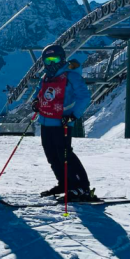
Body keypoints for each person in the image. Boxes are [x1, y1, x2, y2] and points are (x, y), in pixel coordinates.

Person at [31, 44, 95, 201]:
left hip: (62, 122)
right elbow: (39, 91)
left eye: (55, 59)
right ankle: (65, 183)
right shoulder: (46, 77)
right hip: (46, 120)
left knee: (65, 154)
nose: (52, 63)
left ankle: (81, 188)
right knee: (52, 155)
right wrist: (35, 101)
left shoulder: (71, 76)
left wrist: (73, 115)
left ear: (62, 59)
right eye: (48, 60)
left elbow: (84, 97)